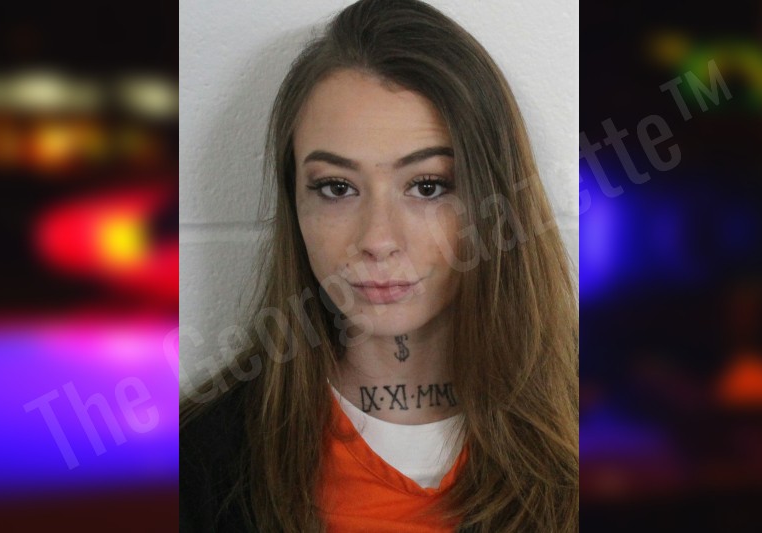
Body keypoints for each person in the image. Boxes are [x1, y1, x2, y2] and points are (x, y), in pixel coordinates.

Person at [180, 0, 578, 531]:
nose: (378, 240)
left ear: (496, 201)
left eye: (428, 186)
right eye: (337, 188)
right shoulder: (195, 465)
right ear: (294, 202)